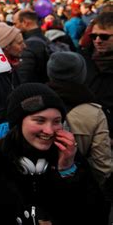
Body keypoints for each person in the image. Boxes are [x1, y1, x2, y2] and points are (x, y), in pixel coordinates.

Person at [0, 83, 107, 225]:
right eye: (39, 120)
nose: (49, 130)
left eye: (56, 121)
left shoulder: (71, 158)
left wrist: (67, 171)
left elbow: (96, 215)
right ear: (18, 122)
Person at [47, 51, 112, 186]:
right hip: (78, 188)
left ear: (50, 72)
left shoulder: (34, 102)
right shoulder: (94, 112)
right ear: (82, 74)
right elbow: (102, 165)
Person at [13, 9, 50, 83]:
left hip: (34, 90)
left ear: (25, 23)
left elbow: (23, 78)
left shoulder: (28, 45)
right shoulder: (45, 39)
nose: (14, 27)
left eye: (15, 23)